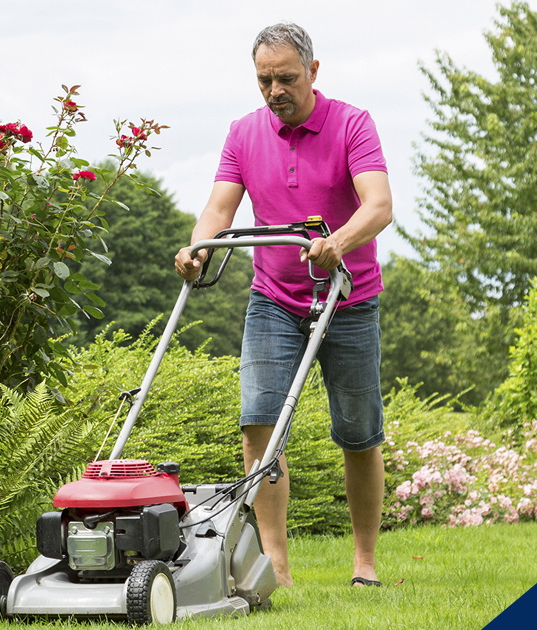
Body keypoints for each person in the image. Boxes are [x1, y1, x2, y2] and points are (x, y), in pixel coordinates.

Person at [173, 22, 393, 588]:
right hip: (274, 298)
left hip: (349, 296)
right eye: (265, 79)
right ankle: (277, 569)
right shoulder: (243, 133)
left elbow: (379, 206)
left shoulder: (352, 124)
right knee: (260, 425)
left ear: (313, 72)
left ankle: (364, 563)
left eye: (287, 78)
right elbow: (219, 209)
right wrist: (197, 246)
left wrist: (336, 243)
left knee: (359, 433)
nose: (275, 90)